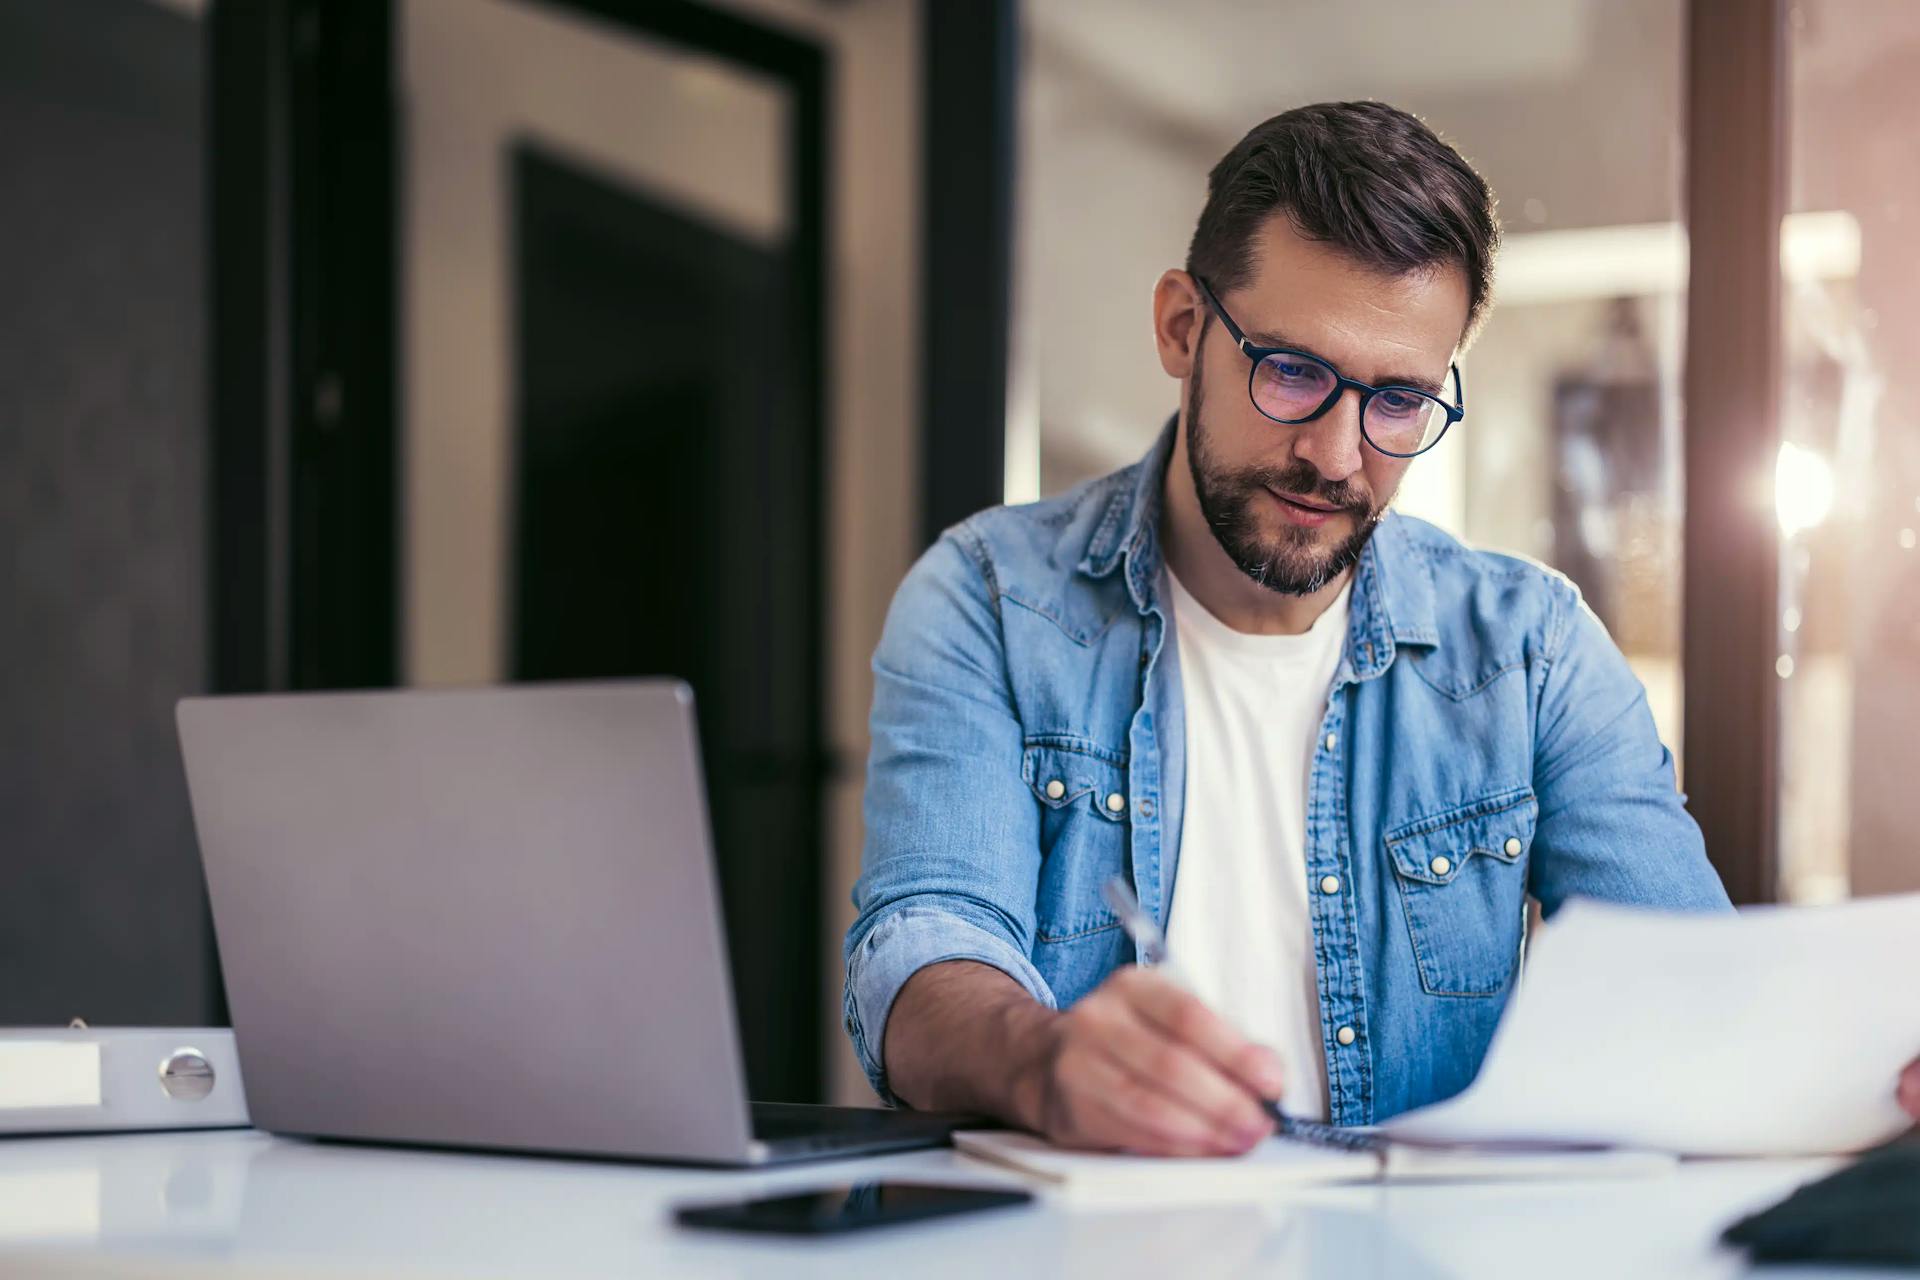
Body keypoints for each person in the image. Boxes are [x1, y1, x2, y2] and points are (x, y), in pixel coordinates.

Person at [844, 101, 1920, 1156]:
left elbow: (1697, 993)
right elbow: (925, 949)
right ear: (1183, 327)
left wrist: (1867, 1069)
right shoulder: (990, 596)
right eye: (1295, 371)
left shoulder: (1529, 648)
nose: (1339, 454)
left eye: (1399, 399)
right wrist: (1041, 1060)